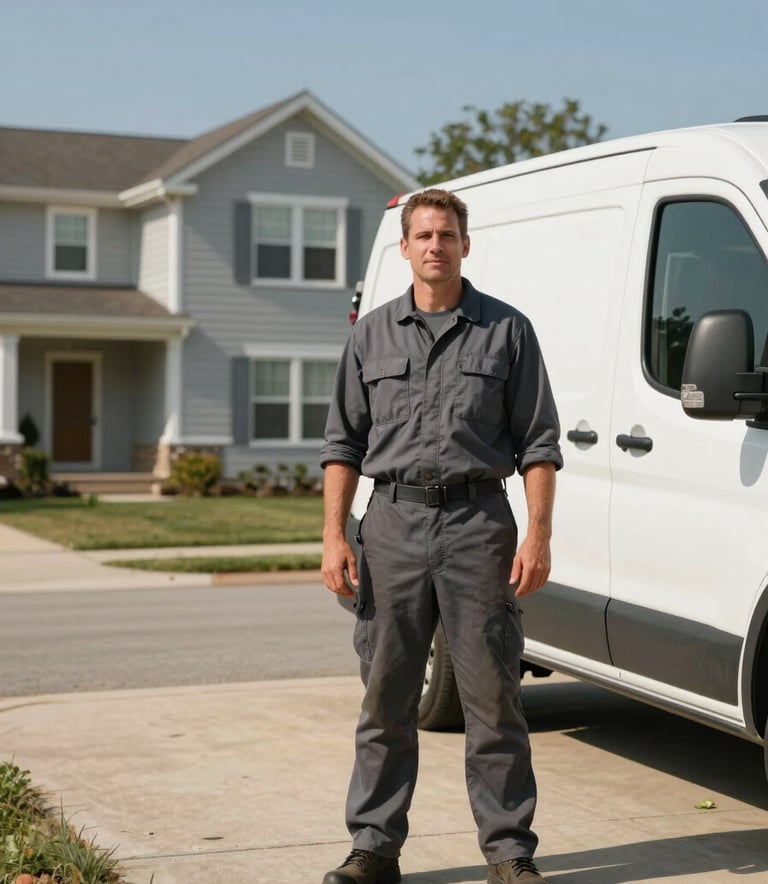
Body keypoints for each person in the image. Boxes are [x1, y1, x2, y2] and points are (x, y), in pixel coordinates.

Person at [319, 188, 563, 884]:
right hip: (390, 523)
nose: (435, 245)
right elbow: (342, 444)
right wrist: (335, 536)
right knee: (386, 698)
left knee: (493, 698)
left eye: (447, 234)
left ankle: (511, 853)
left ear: (465, 244)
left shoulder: (507, 332)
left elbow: (539, 444)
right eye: (422, 235)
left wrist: (537, 536)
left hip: (478, 524)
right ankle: (373, 848)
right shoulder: (370, 335)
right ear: (404, 249)